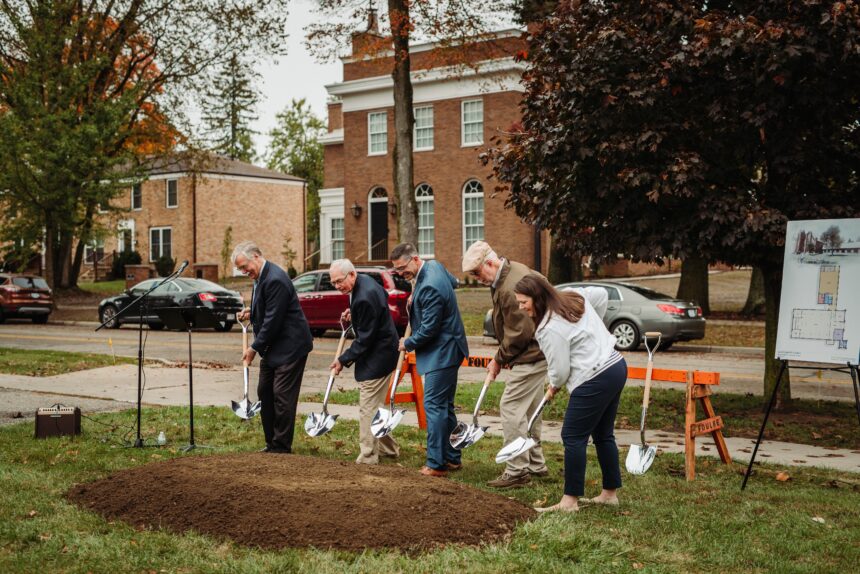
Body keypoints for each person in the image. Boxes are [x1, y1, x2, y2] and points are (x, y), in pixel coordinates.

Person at [513, 274, 626, 512]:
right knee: (603, 434)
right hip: (615, 365)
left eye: (524, 301)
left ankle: (569, 501)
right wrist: (594, 331)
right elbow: (602, 295)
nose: (521, 307)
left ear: (537, 297)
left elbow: (560, 370)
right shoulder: (573, 298)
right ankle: (609, 494)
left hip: (594, 376)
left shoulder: (548, 328)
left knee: (572, 436)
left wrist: (553, 384)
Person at [461, 241, 549, 488]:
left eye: (478, 273)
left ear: (490, 262)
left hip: (530, 354)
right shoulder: (511, 271)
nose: (477, 279)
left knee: (511, 409)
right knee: (531, 409)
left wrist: (499, 358)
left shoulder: (511, 287)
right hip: (539, 351)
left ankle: (517, 469)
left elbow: (520, 332)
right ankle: (535, 464)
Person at [390, 243, 468, 477]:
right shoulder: (434, 266)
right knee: (445, 406)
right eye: (397, 271)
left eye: (403, 269)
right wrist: (416, 292)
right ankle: (452, 457)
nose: (401, 274)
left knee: (433, 406)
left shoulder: (430, 286)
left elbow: (429, 330)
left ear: (415, 259)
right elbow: (454, 282)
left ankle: (436, 464)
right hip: (450, 347)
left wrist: (408, 343)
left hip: (442, 352)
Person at [234, 240, 313, 454]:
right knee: (264, 391)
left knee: (282, 395)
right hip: (273, 346)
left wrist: (252, 348)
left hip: (290, 345)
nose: (243, 272)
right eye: (240, 268)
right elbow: (268, 307)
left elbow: (273, 321)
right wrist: (252, 311)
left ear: (257, 257)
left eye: (244, 266)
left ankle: (281, 446)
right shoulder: (260, 276)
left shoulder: (275, 279)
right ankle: (271, 442)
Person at [328, 259, 401, 464]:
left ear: (351, 274)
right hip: (383, 349)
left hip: (379, 354)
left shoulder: (364, 296)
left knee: (367, 406)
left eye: (339, 281)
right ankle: (390, 450)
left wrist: (342, 360)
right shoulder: (366, 282)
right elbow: (381, 299)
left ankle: (368, 455)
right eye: (333, 283)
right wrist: (356, 315)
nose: (337, 286)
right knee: (375, 406)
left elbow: (365, 340)